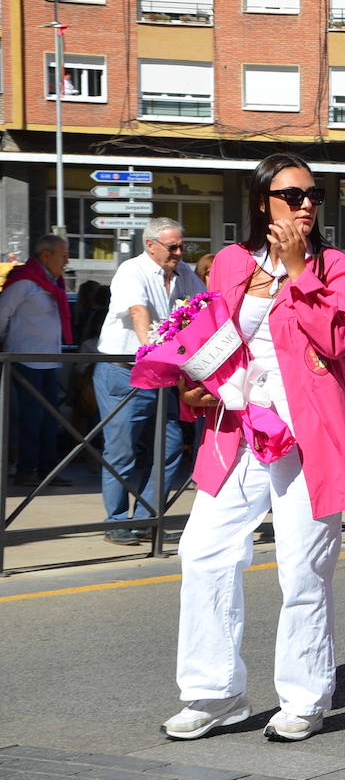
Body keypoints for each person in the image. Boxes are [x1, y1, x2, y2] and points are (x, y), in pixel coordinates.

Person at [160, 153, 345, 743]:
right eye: (291, 195)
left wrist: (300, 270)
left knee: (303, 568)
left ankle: (304, 697)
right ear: (262, 203)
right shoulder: (229, 263)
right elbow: (208, 338)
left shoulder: (336, 269)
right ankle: (214, 692)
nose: (305, 204)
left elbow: (337, 339)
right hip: (237, 431)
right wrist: (193, 380)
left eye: (313, 195)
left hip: (309, 439)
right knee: (203, 551)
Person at [94, 218, 205, 545]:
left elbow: (206, 309)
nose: (179, 252)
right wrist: (150, 350)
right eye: (173, 247)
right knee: (122, 447)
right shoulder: (132, 270)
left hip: (162, 373)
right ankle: (114, 521)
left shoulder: (184, 272)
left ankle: (145, 518)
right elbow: (139, 312)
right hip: (124, 370)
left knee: (170, 445)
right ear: (151, 245)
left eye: (183, 246)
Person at [0, 234, 71, 488]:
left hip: (49, 360)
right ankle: (26, 469)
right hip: (25, 359)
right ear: (46, 255)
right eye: (63, 255)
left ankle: (48, 469)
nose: (67, 260)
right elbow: (2, 314)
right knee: (32, 418)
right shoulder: (25, 282)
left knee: (50, 419)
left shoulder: (54, 282)